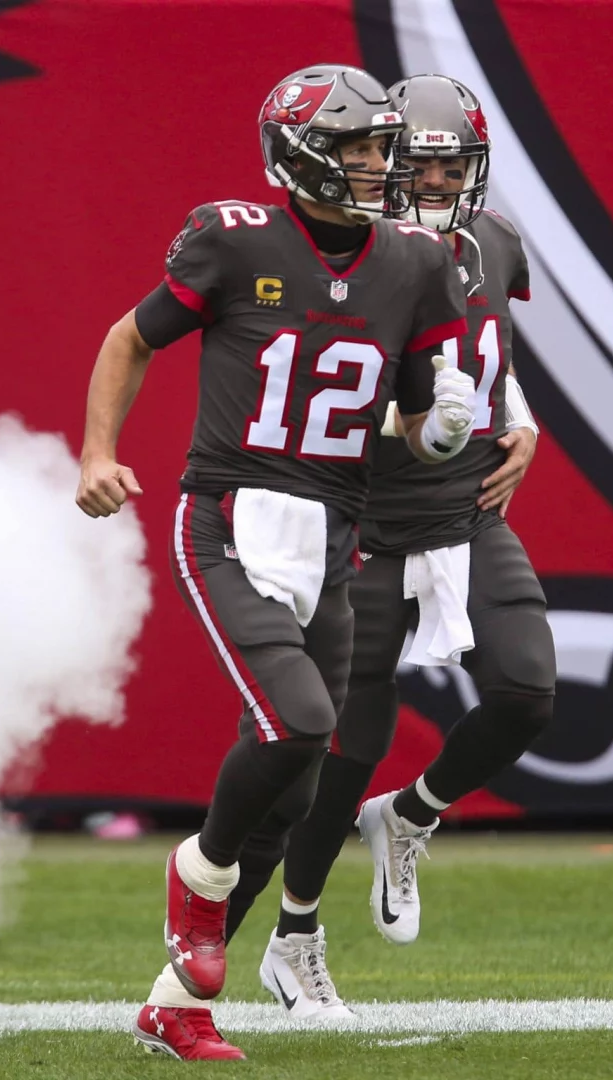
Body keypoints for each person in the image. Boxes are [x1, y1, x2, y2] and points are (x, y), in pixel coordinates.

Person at [77, 63, 476, 1060]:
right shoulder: (233, 239)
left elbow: (417, 416)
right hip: (229, 520)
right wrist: (96, 452)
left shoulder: (417, 262)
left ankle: (178, 1001)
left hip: (335, 535)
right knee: (296, 724)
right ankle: (199, 875)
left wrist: (444, 430)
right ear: (301, 155)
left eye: (384, 147)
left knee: (299, 789)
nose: (380, 165)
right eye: (359, 148)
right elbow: (129, 338)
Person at [222, 73, 554, 1020]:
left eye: (455, 165)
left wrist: (518, 418)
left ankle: (411, 818)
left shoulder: (491, 242)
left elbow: (491, 351)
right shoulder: (363, 258)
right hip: (363, 524)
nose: (441, 182)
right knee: (343, 749)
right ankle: (292, 936)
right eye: (422, 164)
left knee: (527, 691)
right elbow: (316, 392)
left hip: (465, 512)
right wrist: (408, 425)